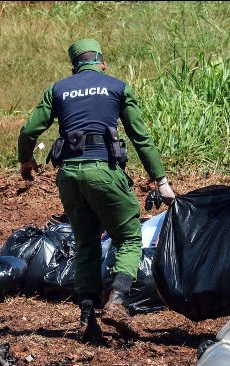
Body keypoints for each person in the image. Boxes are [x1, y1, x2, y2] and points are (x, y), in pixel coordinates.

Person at [18, 38, 175, 343]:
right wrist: (161, 181)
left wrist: (26, 161)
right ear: (102, 63)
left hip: (69, 177)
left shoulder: (59, 89)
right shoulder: (117, 87)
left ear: (74, 67)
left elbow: (28, 130)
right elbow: (140, 138)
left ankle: (87, 319)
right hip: (105, 173)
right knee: (128, 237)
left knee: (86, 244)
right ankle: (116, 302)